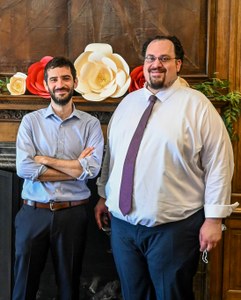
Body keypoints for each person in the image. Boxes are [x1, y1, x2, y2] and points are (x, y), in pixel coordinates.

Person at [94, 36, 239, 300]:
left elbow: (219, 163)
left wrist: (214, 219)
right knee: (132, 295)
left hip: (173, 230)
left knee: (171, 295)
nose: (156, 64)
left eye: (164, 58)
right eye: (150, 58)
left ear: (178, 64)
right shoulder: (127, 104)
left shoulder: (198, 106)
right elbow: (112, 157)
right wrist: (104, 196)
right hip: (124, 229)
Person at [13, 56, 104, 300]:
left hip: (72, 215)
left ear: (75, 81)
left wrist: (46, 160)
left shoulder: (91, 125)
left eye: (65, 78)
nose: (60, 84)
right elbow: (24, 169)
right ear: (46, 84)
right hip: (33, 213)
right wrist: (76, 166)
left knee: (69, 287)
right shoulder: (30, 122)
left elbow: (92, 170)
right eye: (54, 79)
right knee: (23, 287)